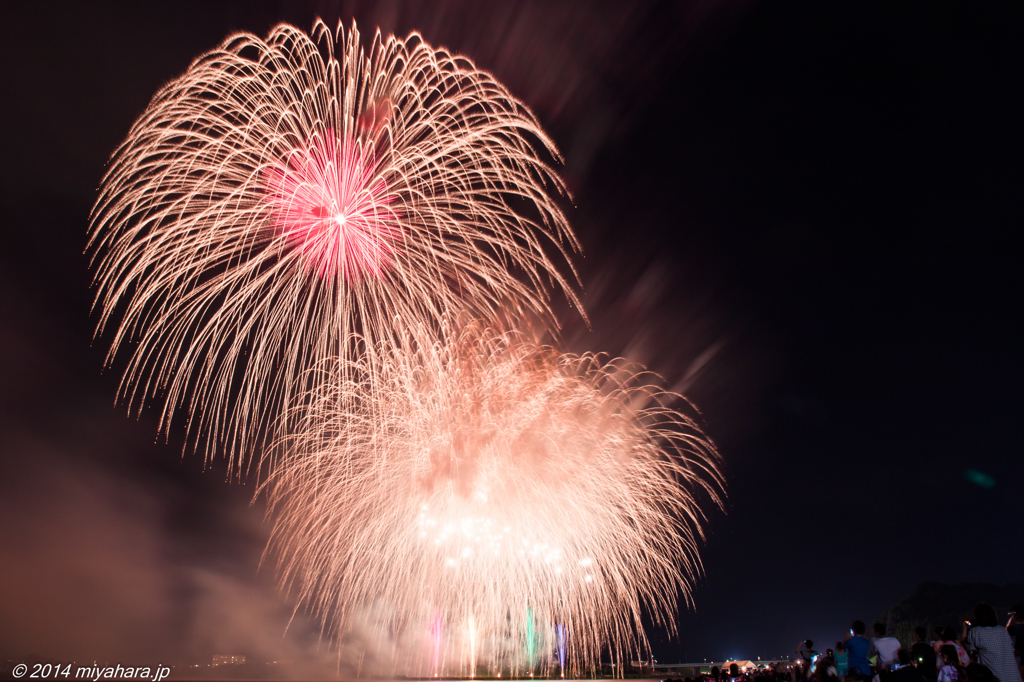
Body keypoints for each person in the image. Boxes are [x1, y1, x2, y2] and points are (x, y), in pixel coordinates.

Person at [965, 603, 1023, 682]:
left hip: (995, 677)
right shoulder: (1002, 630)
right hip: (1014, 676)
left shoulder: (976, 632)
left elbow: (967, 643)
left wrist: (965, 627)